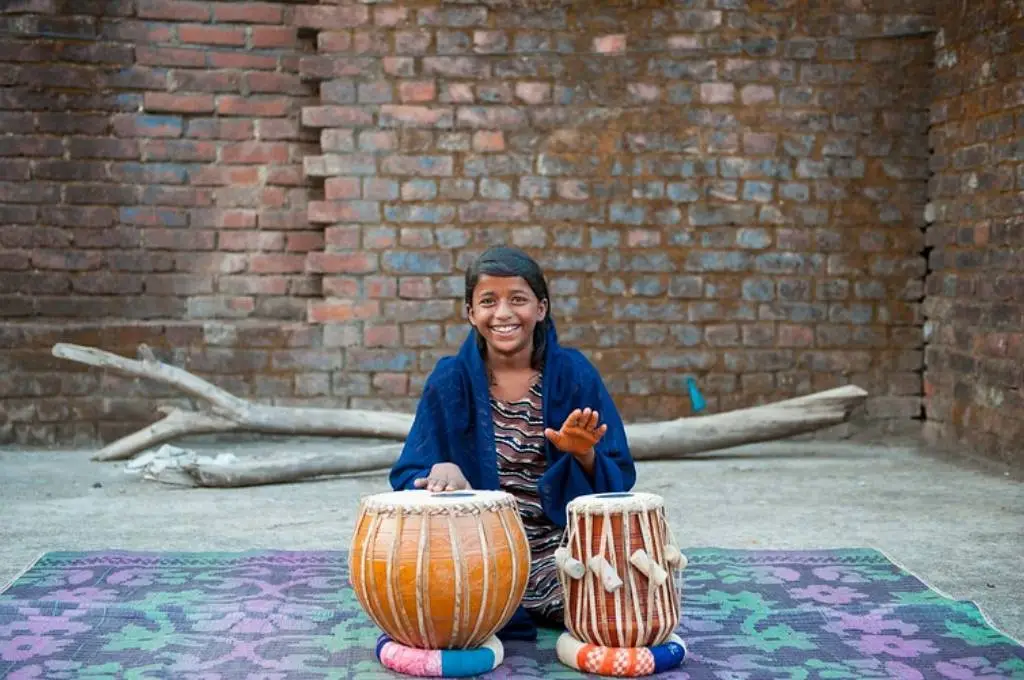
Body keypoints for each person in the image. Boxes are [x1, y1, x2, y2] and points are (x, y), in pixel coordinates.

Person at [389, 245, 636, 642]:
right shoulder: (448, 381)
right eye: (488, 301)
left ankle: (524, 603)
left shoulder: (575, 375)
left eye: (517, 300)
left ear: (541, 309)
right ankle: (500, 603)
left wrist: (583, 454)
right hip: (476, 554)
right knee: (426, 602)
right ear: (471, 313)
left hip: (557, 547)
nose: (503, 313)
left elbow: (619, 478)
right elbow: (406, 474)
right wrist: (438, 471)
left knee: (618, 606)